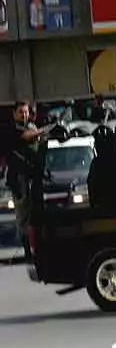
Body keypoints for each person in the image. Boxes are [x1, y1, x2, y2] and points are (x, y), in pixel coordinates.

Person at [2, 101, 41, 259]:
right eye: (20, 112)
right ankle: (27, 251)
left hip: (33, 177)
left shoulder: (30, 126)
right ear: (14, 113)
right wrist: (41, 131)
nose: (23, 115)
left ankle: (37, 248)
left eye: (25, 112)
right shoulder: (11, 129)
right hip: (18, 178)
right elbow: (27, 136)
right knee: (24, 215)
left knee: (36, 214)